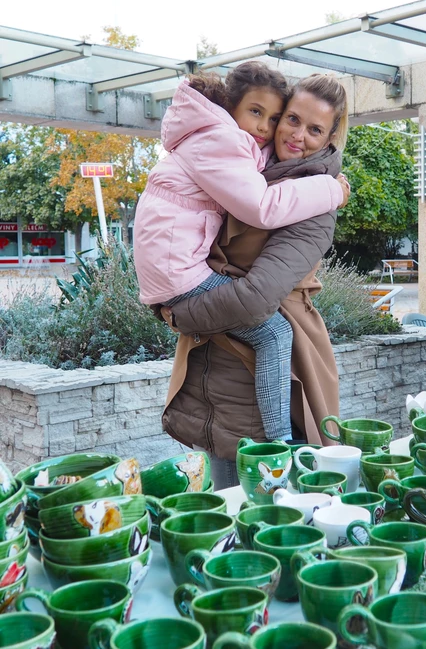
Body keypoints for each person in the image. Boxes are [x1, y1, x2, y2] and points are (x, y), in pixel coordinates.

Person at [134, 63, 349, 442]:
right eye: (291, 119)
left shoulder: (313, 203)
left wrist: (180, 315)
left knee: (268, 485)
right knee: (226, 495)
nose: (293, 134)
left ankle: (280, 439)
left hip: (267, 376)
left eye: (314, 129)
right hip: (217, 374)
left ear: (331, 136)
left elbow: (256, 299)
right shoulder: (247, 162)